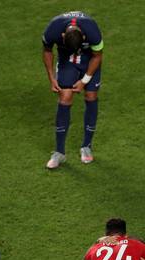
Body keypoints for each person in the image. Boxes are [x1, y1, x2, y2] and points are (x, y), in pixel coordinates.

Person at [42, 11, 103, 169]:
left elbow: (97, 56)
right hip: (66, 62)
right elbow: (47, 50)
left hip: (89, 61)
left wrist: (84, 81)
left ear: (84, 37)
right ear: (62, 35)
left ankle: (86, 146)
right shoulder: (53, 28)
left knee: (90, 96)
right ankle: (59, 153)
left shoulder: (92, 30)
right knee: (65, 96)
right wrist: (52, 78)